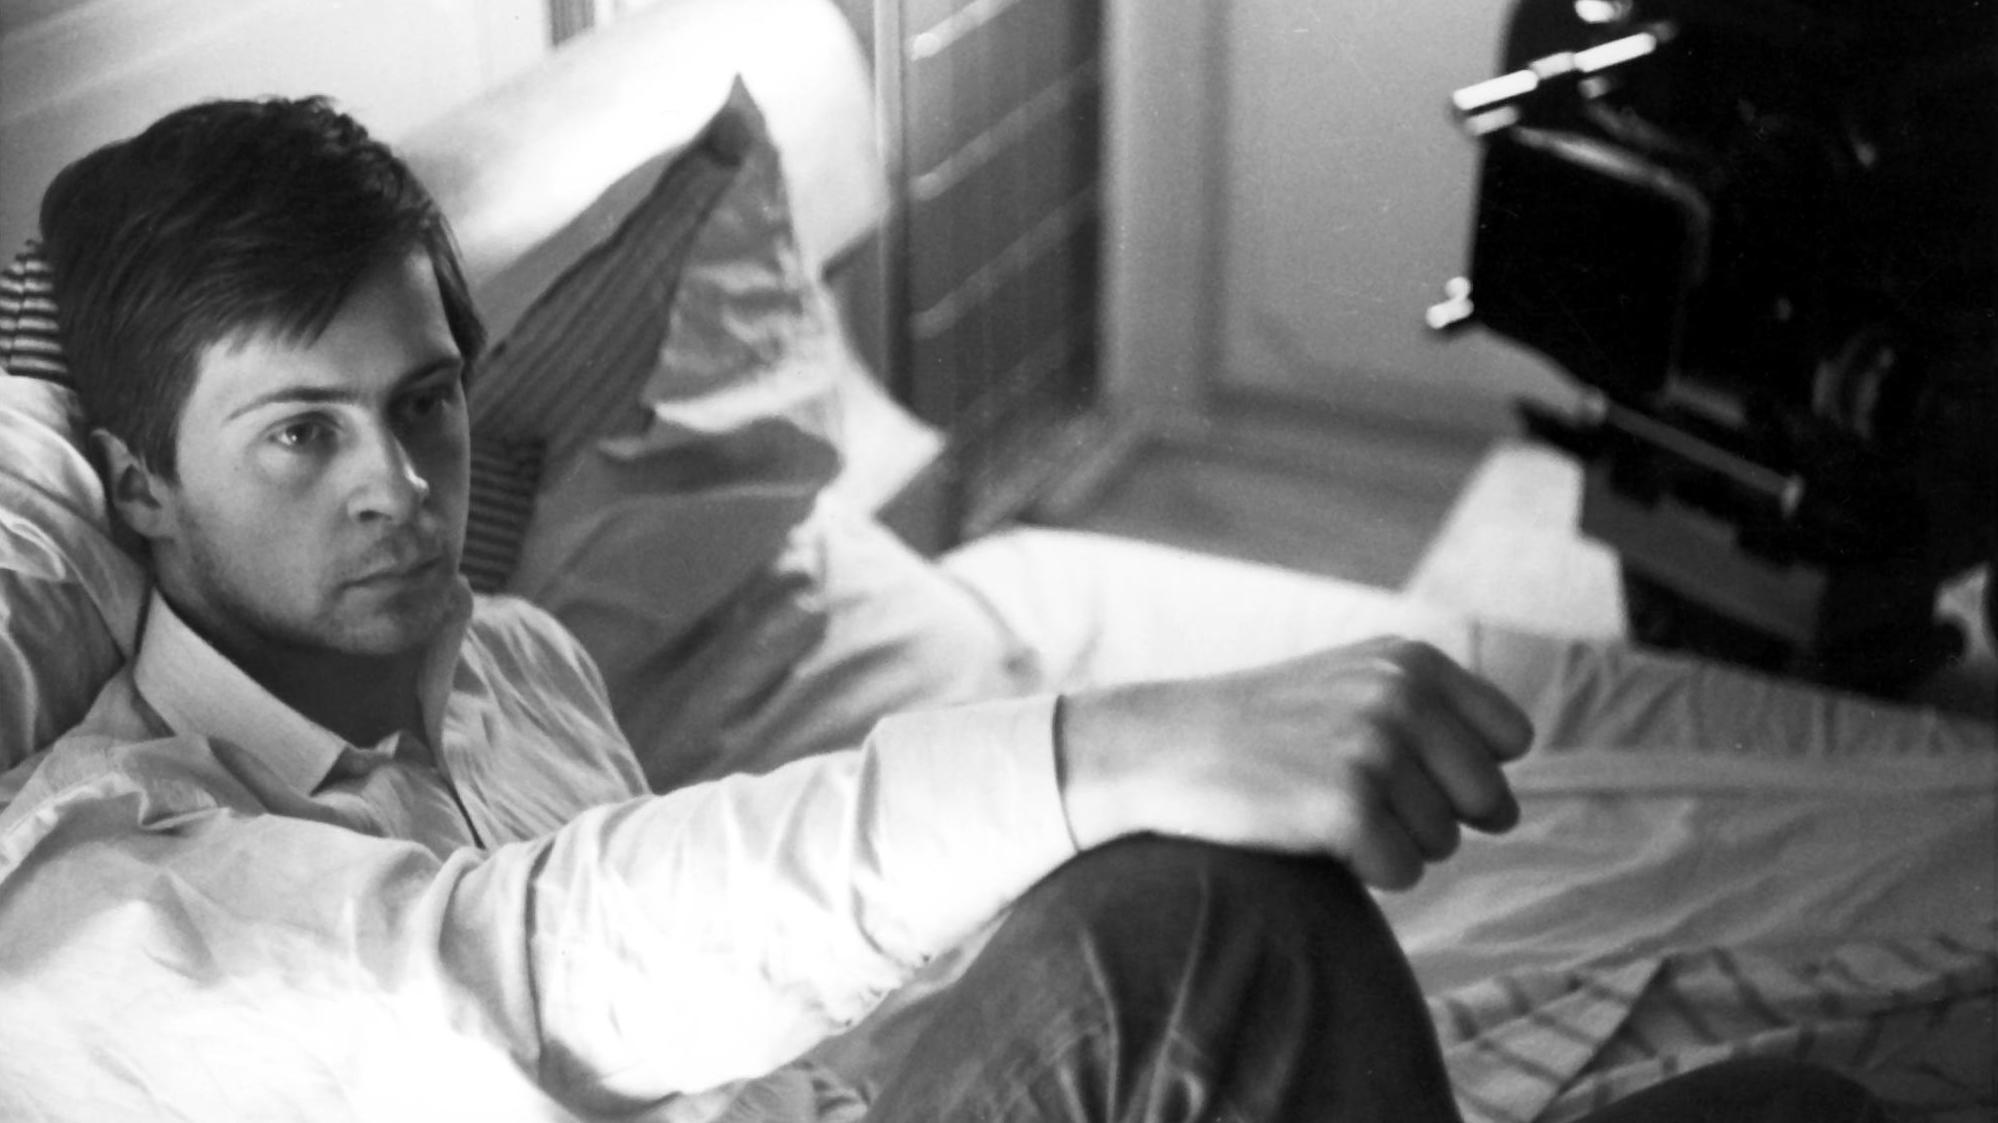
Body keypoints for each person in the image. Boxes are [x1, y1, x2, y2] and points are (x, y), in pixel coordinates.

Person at [0, 96, 1882, 1122]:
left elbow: (720, 994)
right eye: (299, 434)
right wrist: (1100, 751)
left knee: (1790, 1120)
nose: (401, 488)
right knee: (1200, 928)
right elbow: (538, 959)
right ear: (138, 485)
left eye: (423, 405)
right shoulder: (90, 894)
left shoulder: (515, 659)